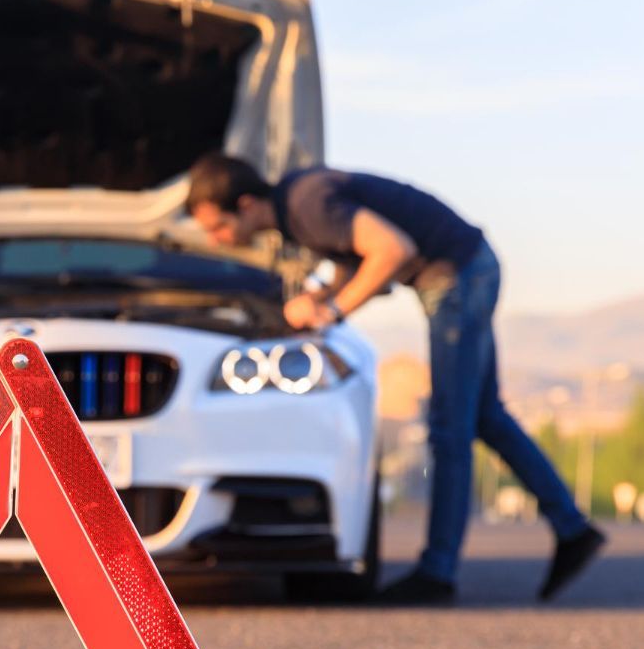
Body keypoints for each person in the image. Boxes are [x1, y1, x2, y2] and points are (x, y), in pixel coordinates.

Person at [185, 152, 605, 604]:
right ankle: (572, 528)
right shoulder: (297, 206)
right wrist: (322, 292)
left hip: (457, 276)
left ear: (246, 204)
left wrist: (333, 311)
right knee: (486, 418)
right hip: (468, 268)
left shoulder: (306, 205)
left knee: (449, 430)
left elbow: (392, 249)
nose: (217, 239)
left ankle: (437, 574)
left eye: (218, 227)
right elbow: (356, 255)